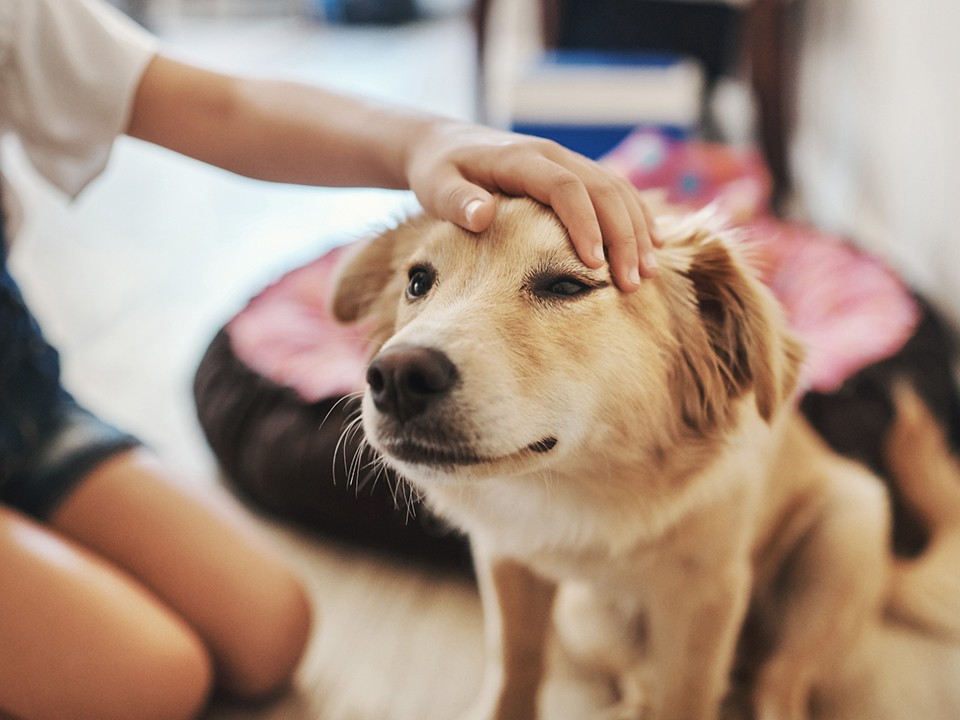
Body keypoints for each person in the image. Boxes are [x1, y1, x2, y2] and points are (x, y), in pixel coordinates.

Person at [0, 0, 658, 718]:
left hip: (19, 400)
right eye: (421, 282)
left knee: (268, 631)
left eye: (563, 286)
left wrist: (429, 141)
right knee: (153, 684)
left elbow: (224, 104)